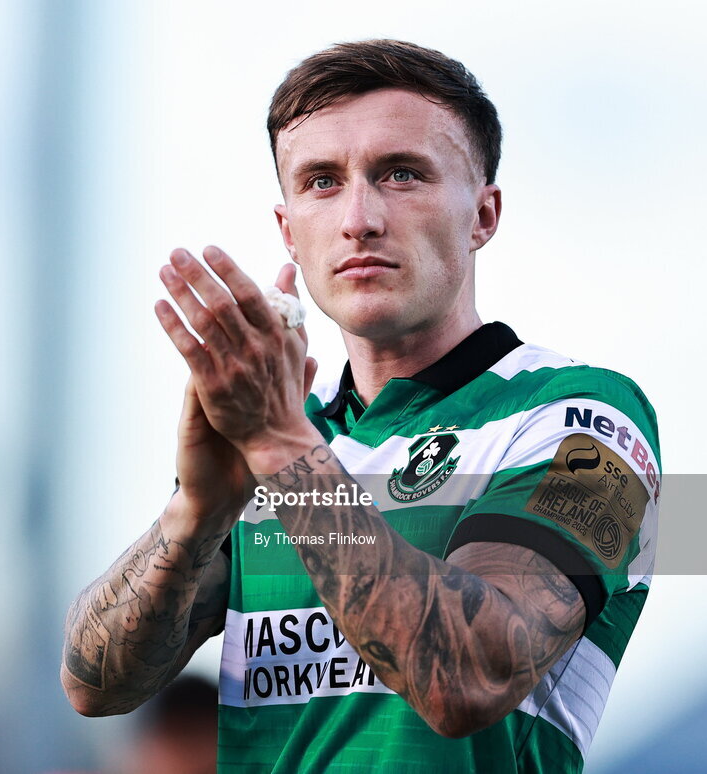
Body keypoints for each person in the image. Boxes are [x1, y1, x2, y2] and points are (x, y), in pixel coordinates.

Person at [61, 39, 660, 773]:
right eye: (321, 181)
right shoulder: (286, 433)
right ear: (288, 230)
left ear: (484, 213)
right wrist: (197, 511)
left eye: (401, 174)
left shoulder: (579, 416)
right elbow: (96, 684)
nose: (359, 218)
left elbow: (469, 676)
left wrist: (282, 449)